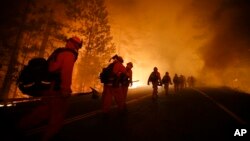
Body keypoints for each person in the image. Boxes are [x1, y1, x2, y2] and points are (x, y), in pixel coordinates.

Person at [19, 36, 83, 141]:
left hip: (48, 87)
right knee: (58, 115)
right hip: (57, 90)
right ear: (76, 45)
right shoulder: (69, 54)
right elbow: (66, 73)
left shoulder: (59, 52)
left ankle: (22, 126)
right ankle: (49, 137)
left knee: (44, 110)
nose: (78, 48)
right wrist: (65, 89)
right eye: (79, 45)